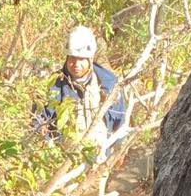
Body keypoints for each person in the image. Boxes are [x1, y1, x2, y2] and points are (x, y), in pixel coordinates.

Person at [36, 25, 128, 161]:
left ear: (90, 59)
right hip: (64, 160)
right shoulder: (55, 85)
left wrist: (119, 151)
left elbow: (120, 119)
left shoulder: (108, 83)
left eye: (81, 59)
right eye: (72, 59)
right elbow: (40, 118)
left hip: (100, 158)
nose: (76, 64)